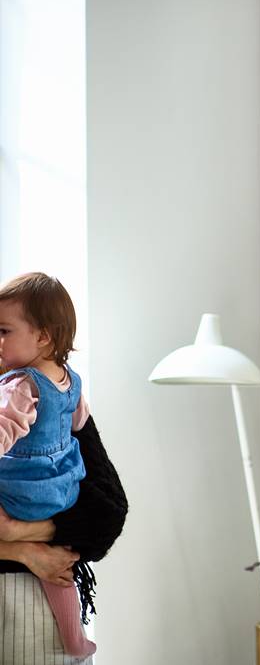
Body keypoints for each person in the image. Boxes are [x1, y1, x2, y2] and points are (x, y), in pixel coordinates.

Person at [0, 273, 95, 657]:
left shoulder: (19, 385)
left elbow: (4, 427)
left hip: (21, 492)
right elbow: (79, 423)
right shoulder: (70, 380)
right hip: (60, 489)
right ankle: (76, 638)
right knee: (59, 572)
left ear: (43, 336)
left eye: (4, 331)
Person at [0, 412, 128, 664]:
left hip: (36, 611)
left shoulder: (55, 401)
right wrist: (25, 552)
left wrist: (18, 532)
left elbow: (107, 514)